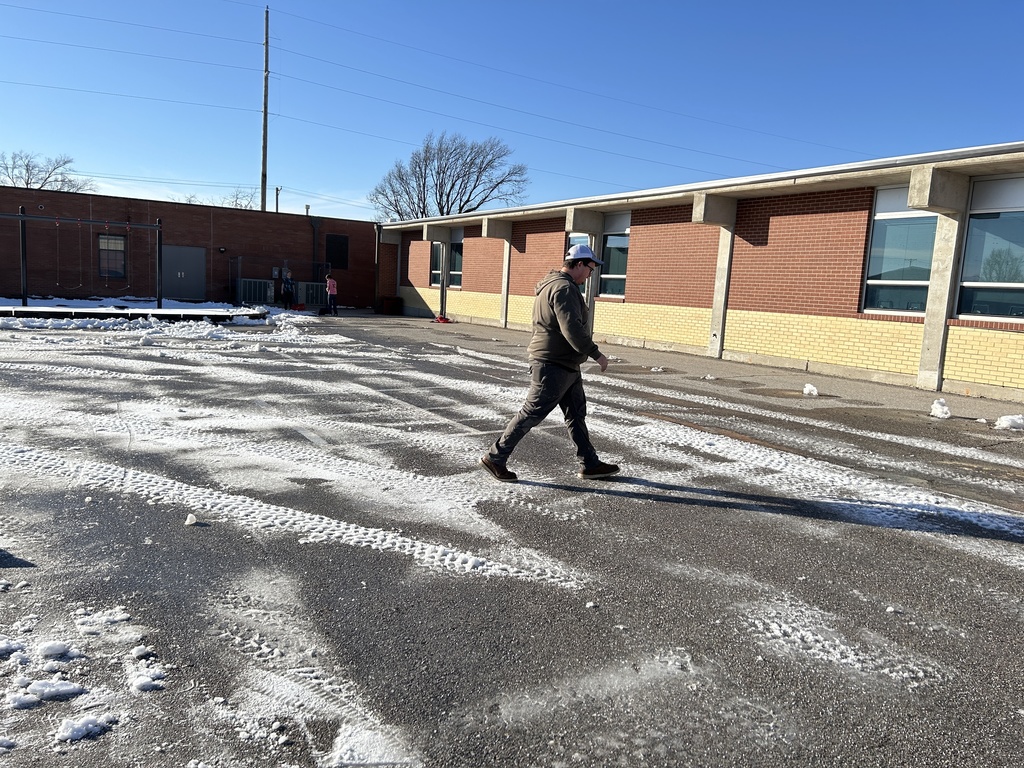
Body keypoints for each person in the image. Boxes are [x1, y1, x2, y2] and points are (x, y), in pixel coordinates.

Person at [480, 244, 619, 483]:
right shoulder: (564, 288)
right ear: (578, 264)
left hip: (566, 364)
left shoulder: (555, 285)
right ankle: (496, 457)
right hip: (552, 364)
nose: (590, 274)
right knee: (531, 413)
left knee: (576, 415)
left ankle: (590, 463)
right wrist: (597, 354)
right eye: (590, 268)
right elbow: (572, 329)